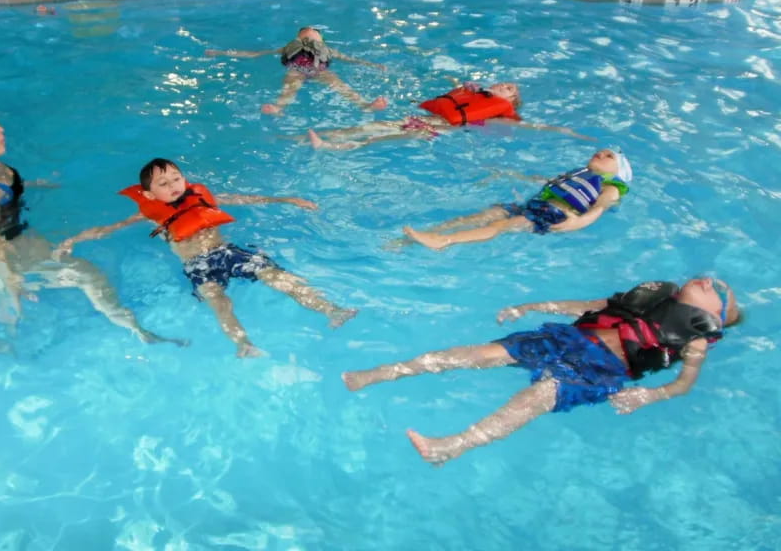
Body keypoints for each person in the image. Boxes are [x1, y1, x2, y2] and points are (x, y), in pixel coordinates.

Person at [342, 276, 741, 464]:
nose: (709, 280)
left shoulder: (695, 340)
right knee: (475, 354)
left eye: (716, 292)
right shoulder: (650, 296)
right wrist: (533, 306)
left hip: (600, 371)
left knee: (536, 398)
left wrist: (650, 395)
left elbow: (684, 384)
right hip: (566, 338)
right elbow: (586, 305)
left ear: (714, 317)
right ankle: (377, 374)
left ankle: (452, 446)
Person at [0, 100, 181, 355]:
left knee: (81, 266)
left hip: (7, 229)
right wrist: (11, 278)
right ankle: (138, 332)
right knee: (83, 276)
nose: (0, 129)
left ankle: (134, 328)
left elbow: (3, 194)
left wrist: (36, 186)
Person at [54, 158, 357, 357]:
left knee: (274, 275)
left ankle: (331, 310)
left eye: (176, 178)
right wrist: (72, 240)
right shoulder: (151, 215)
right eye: (163, 184)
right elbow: (107, 229)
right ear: (149, 195)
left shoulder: (201, 198)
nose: (173, 186)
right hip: (197, 265)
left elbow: (244, 198)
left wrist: (285, 199)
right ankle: (244, 345)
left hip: (227, 252)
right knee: (219, 302)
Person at [402, 148, 631, 249]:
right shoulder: (581, 174)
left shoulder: (611, 187)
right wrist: (509, 175)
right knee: (484, 215)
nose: (601, 154)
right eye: (601, 151)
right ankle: (428, 234)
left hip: (553, 216)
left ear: (618, 171)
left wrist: (578, 223)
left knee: (499, 226)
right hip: (533, 206)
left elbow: (600, 207)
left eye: (609, 156)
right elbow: (550, 183)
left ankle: (444, 241)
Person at [307, 81, 592, 150]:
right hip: (430, 120)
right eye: (505, 83)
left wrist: (567, 132)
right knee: (380, 125)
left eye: (510, 90)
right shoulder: (473, 94)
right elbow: (447, 101)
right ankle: (319, 137)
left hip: (438, 129)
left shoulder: (500, 113)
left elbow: (533, 127)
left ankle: (334, 147)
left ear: (511, 102)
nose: (505, 86)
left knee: (384, 136)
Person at [205, 26, 387, 115]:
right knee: (290, 88)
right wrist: (222, 53)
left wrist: (372, 65)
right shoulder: (287, 49)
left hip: (320, 71)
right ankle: (279, 108)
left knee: (340, 85)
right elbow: (256, 54)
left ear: (321, 42)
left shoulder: (328, 50)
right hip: (296, 71)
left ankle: (365, 105)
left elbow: (351, 60)